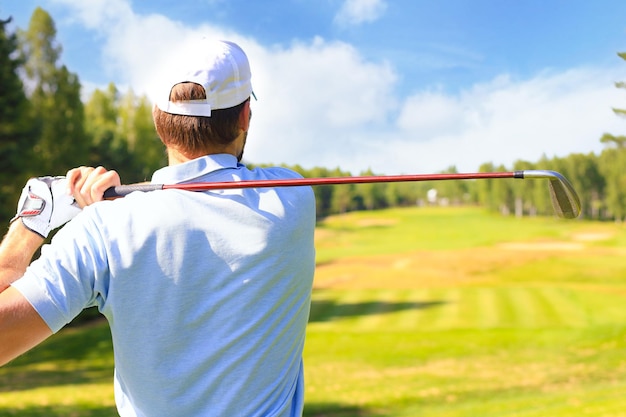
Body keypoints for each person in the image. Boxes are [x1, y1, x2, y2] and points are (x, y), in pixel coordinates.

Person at [0, 39, 316, 416]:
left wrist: (32, 223)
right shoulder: (292, 199)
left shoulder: (104, 229)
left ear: (158, 120)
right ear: (246, 115)